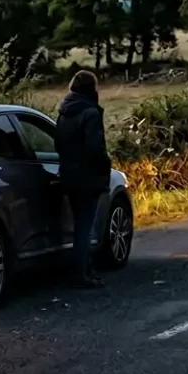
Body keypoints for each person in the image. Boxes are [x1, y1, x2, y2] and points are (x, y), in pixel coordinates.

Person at [55, 70, 112, 289]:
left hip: (68, 174)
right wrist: (104, 165)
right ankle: (82, 272)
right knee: (85, 226)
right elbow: (94, 147)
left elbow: (58, 143)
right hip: (88, 176)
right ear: (91, 88)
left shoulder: (64, 112)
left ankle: (83, 269)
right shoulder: (90, 113)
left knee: (79, 224)